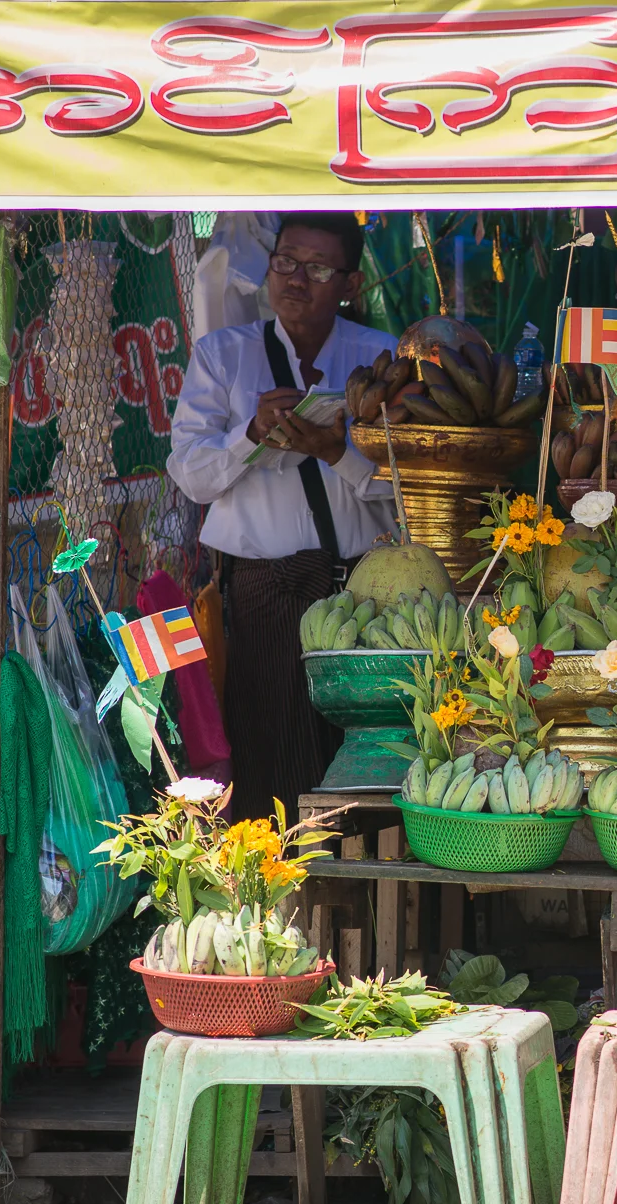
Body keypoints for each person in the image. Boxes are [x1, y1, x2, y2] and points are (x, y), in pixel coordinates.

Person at [168, 213, 396, 822]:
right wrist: (249, 436)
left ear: (349, 283)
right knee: (272, 757)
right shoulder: (224, 356)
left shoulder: (379, 358)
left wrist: (335, 453)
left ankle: (361, 896)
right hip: (263, 589)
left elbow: (407, 491)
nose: (297, 279)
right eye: (286, 262)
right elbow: (190, 474)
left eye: (318, 268)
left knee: (360, 764)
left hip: (361, 585)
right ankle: (282, 904)